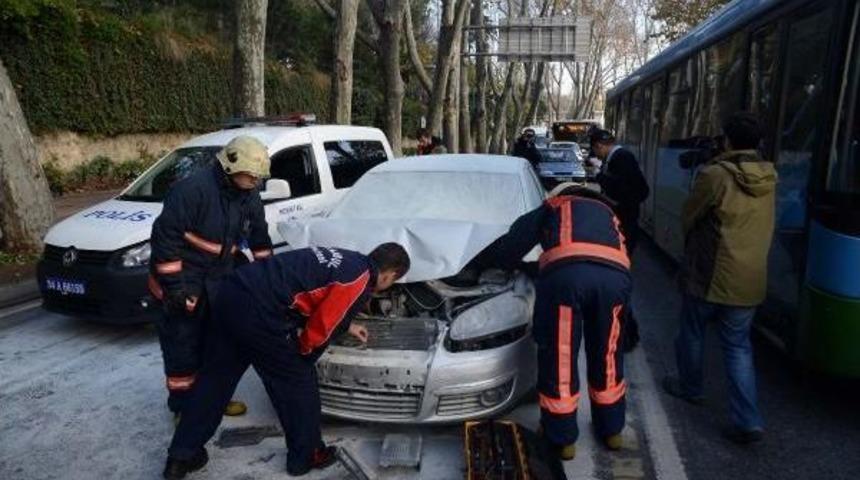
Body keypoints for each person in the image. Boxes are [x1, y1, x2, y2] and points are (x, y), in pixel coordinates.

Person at [162, 243, 411, 479]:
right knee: (298, 383)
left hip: (231, 294)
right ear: (390, 275)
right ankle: (307, 455)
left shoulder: (348, 259)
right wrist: (303, 355)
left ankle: (181, 456)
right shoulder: (360, 280)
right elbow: (321, 330)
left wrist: (347, 325)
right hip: (260, 312)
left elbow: (308, 292)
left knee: (214, 381)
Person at [476, 183, 631, 460]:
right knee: (607, 355)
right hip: (615, 281)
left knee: (560, 356)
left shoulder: (555, 206)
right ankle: (612, 430)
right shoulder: (608, 213)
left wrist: (497, 263)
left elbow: (515, 242)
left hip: (566, 281)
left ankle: (562, 438)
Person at [662, 112, 777, 445]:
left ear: (726, 140)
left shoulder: (715, 175)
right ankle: (748, 420)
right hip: (749, 278)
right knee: (738, 348)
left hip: (710, 274)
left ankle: (691, 387)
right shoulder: (770, 175)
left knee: (692, 332)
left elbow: (689, 215)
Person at [148, 135, 273, 419]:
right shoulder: (191, 191)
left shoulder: (248, 195)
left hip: (218, 279)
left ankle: (212, 399)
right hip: (183, 281)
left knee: (217, 346)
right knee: (182, 349)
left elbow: (260, 238)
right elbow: (165, 241)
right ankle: (185, 410)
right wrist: (174, 289)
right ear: (231, 167)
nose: (256, 181)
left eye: (259, 177)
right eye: (252, 175)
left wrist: (270, 279)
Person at [587, 129, 649, 352]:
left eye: (595, 150)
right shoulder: (618, 158)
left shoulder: (622, 158)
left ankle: (625, 332)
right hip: (621, 225)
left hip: (624, 226)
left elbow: (633, 191)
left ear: (599, 146)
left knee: (618, 277)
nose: (596, 155)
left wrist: (599, 175)